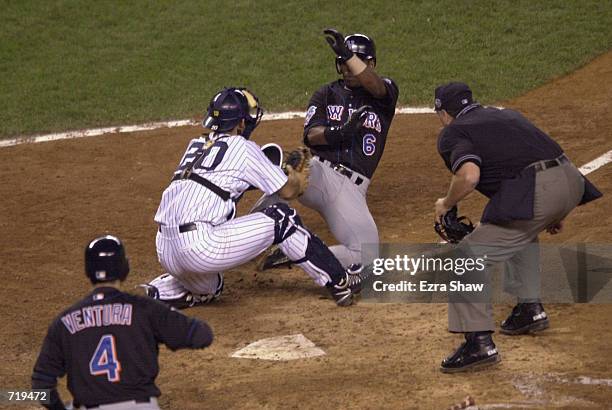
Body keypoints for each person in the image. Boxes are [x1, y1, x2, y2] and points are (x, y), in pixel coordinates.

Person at [142, 87, 366, 309]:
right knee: (281, 218)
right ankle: (341, 281)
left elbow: (219, 187)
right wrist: (295, 177)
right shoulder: (242, 147)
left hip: (165, 250)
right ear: (240, 123)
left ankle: (156, 293)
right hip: (200, 248)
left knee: (211, 287)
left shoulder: (195, 146)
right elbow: (288, 192)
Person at [433, 82, 602, 373]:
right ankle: (529, 309)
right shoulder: (506, 115)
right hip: (571, 181)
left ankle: (478, 344)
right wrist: (554, 209)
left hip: (537, 190)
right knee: (516, 228)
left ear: (444, 112)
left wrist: (446, 203)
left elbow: (469, 176)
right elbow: (539, 152)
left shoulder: (453, 132)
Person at [258, 28, 399, 271]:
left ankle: (294, 252)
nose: (346, 69)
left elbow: (375, 86)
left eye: (351, 62)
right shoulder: (326, 93)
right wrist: (340, 132)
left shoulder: (384, 93)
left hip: (352, 189)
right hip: (319, 174)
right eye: (341, 63)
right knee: (289, 170)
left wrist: (347, 53)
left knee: (367, 255)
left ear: (370, 63)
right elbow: (311, 136)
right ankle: (245, 238)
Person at [31, 235, 214, 409]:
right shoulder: (144, 309)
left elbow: (41, 386)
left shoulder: (64, 322)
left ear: (88, 270)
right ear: (124, 268)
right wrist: (164, 315)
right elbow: (202, 336)